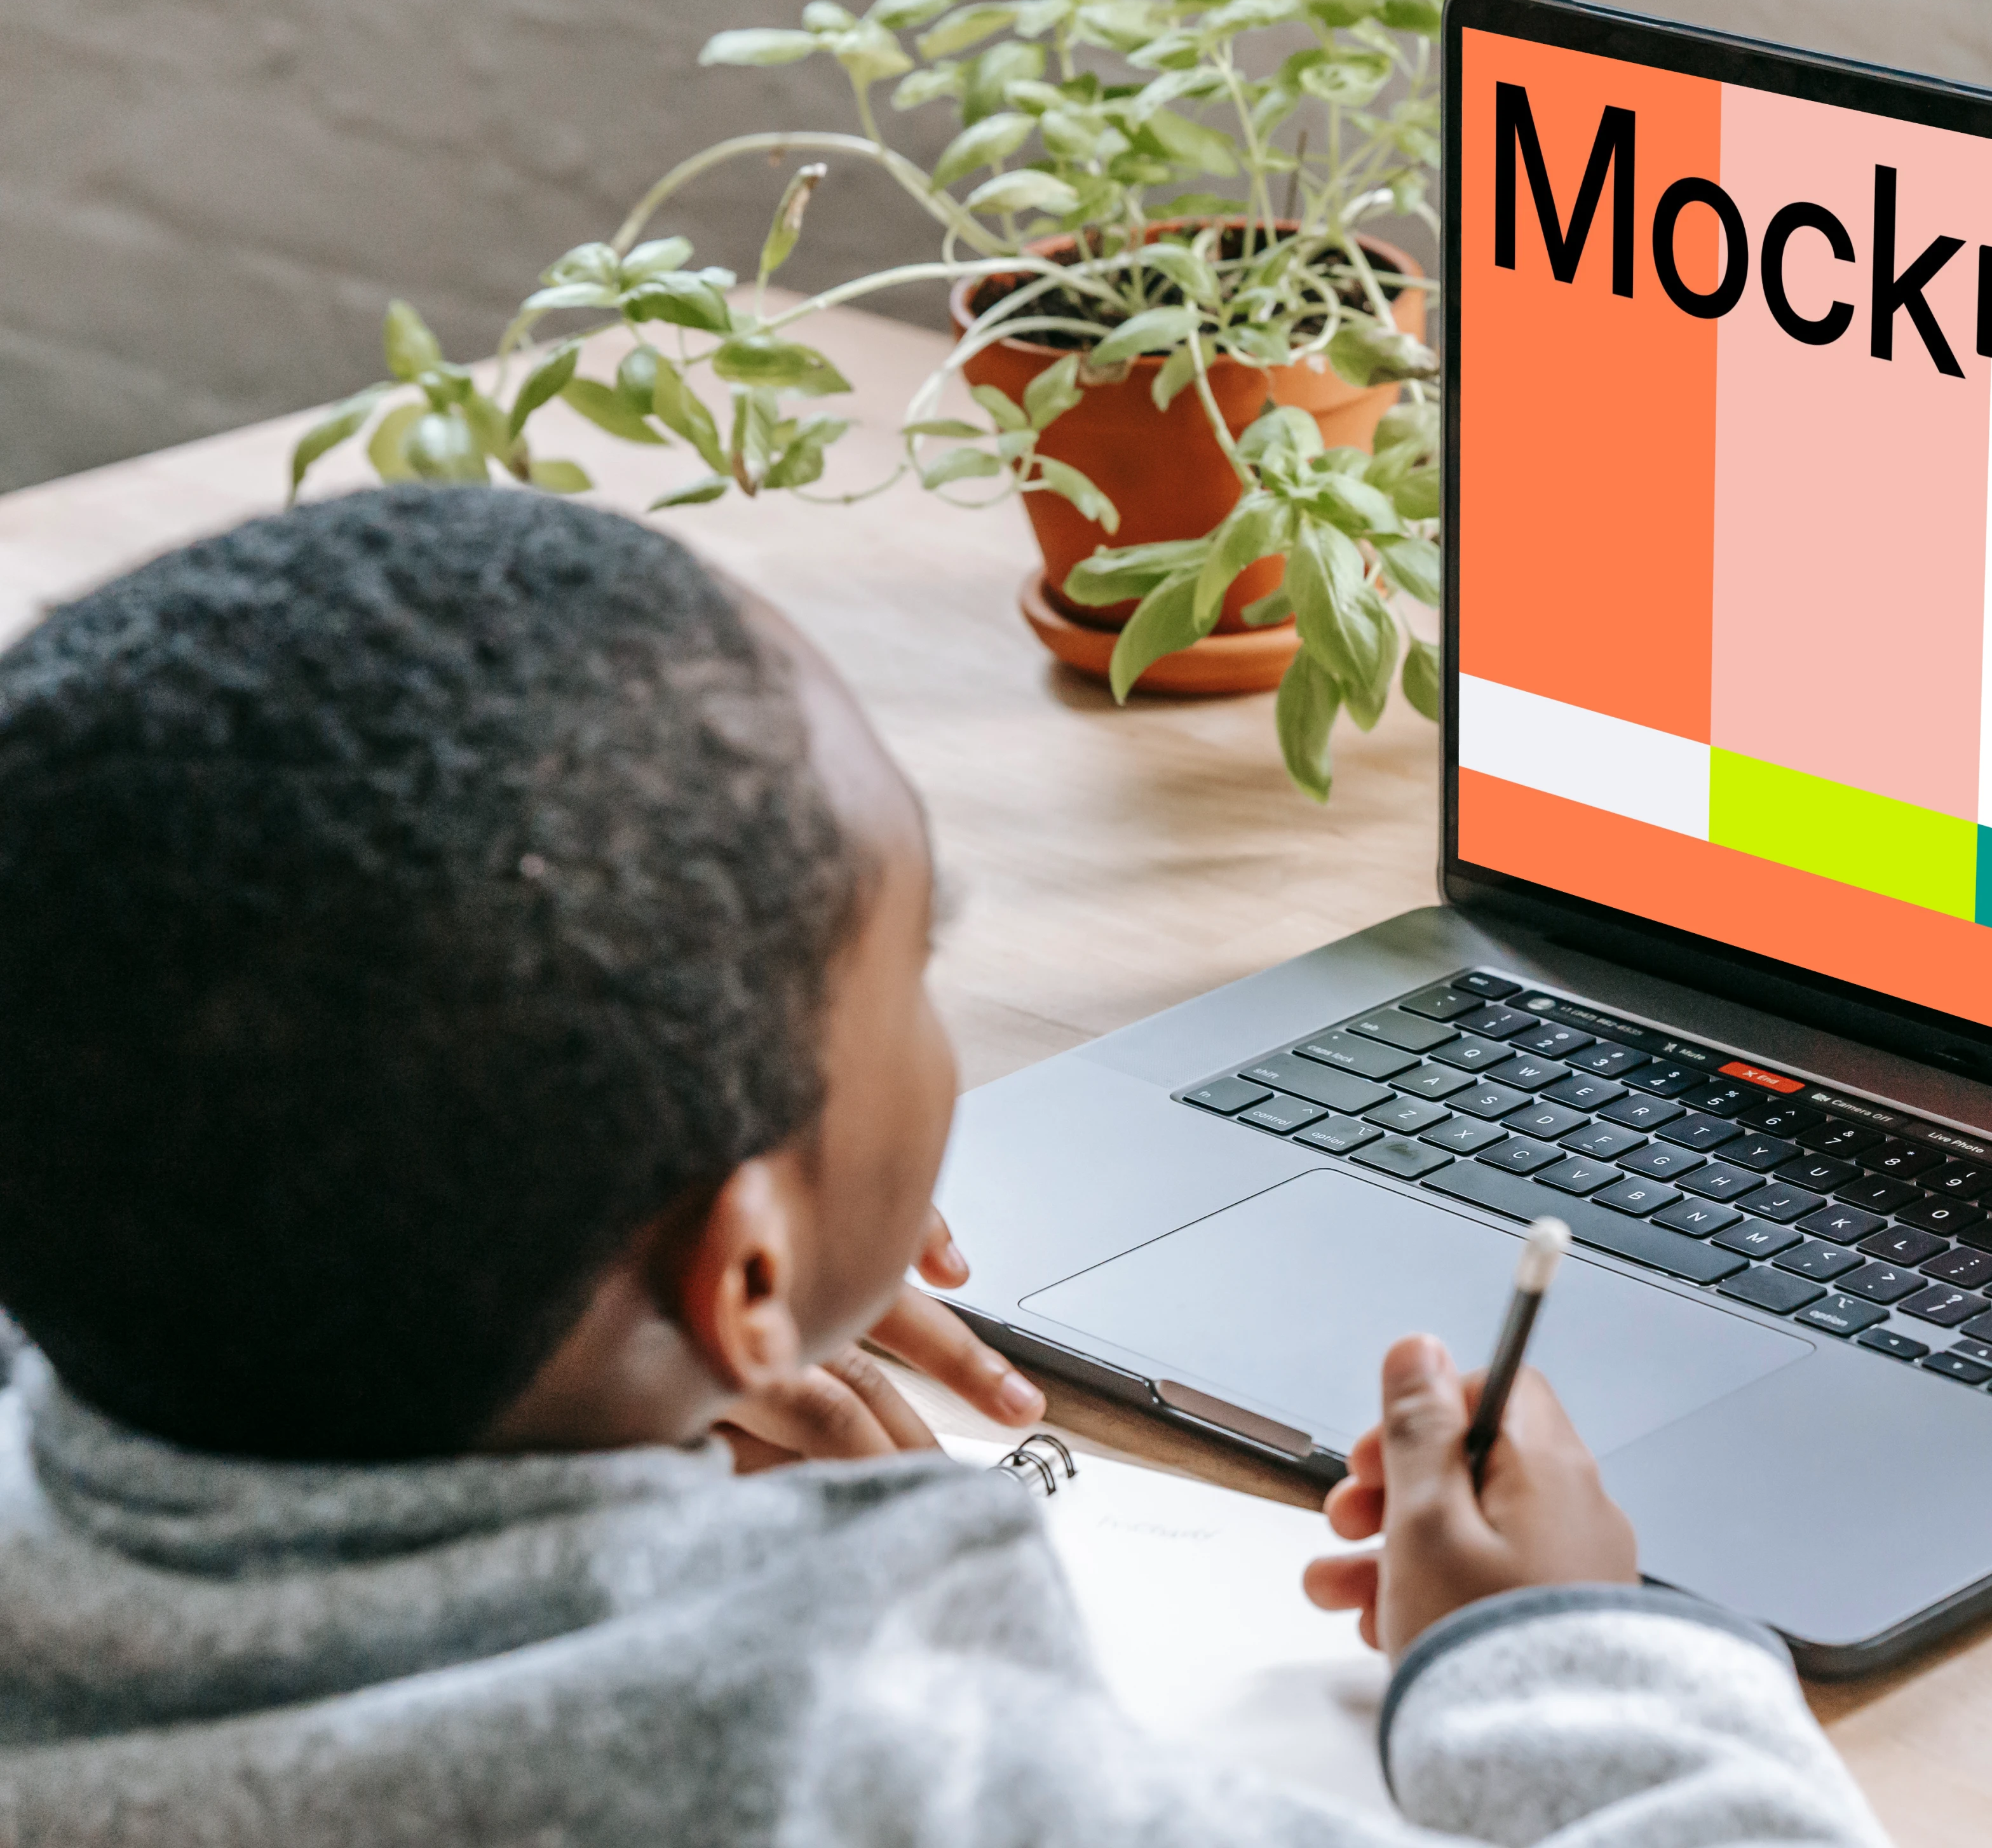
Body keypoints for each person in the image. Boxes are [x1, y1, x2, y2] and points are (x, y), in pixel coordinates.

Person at [0, 485, 1886, 1848]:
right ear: (740, 1275)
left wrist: (666, 1277)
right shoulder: (851, 1777)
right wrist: (1550, 1651)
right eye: (914, 957)